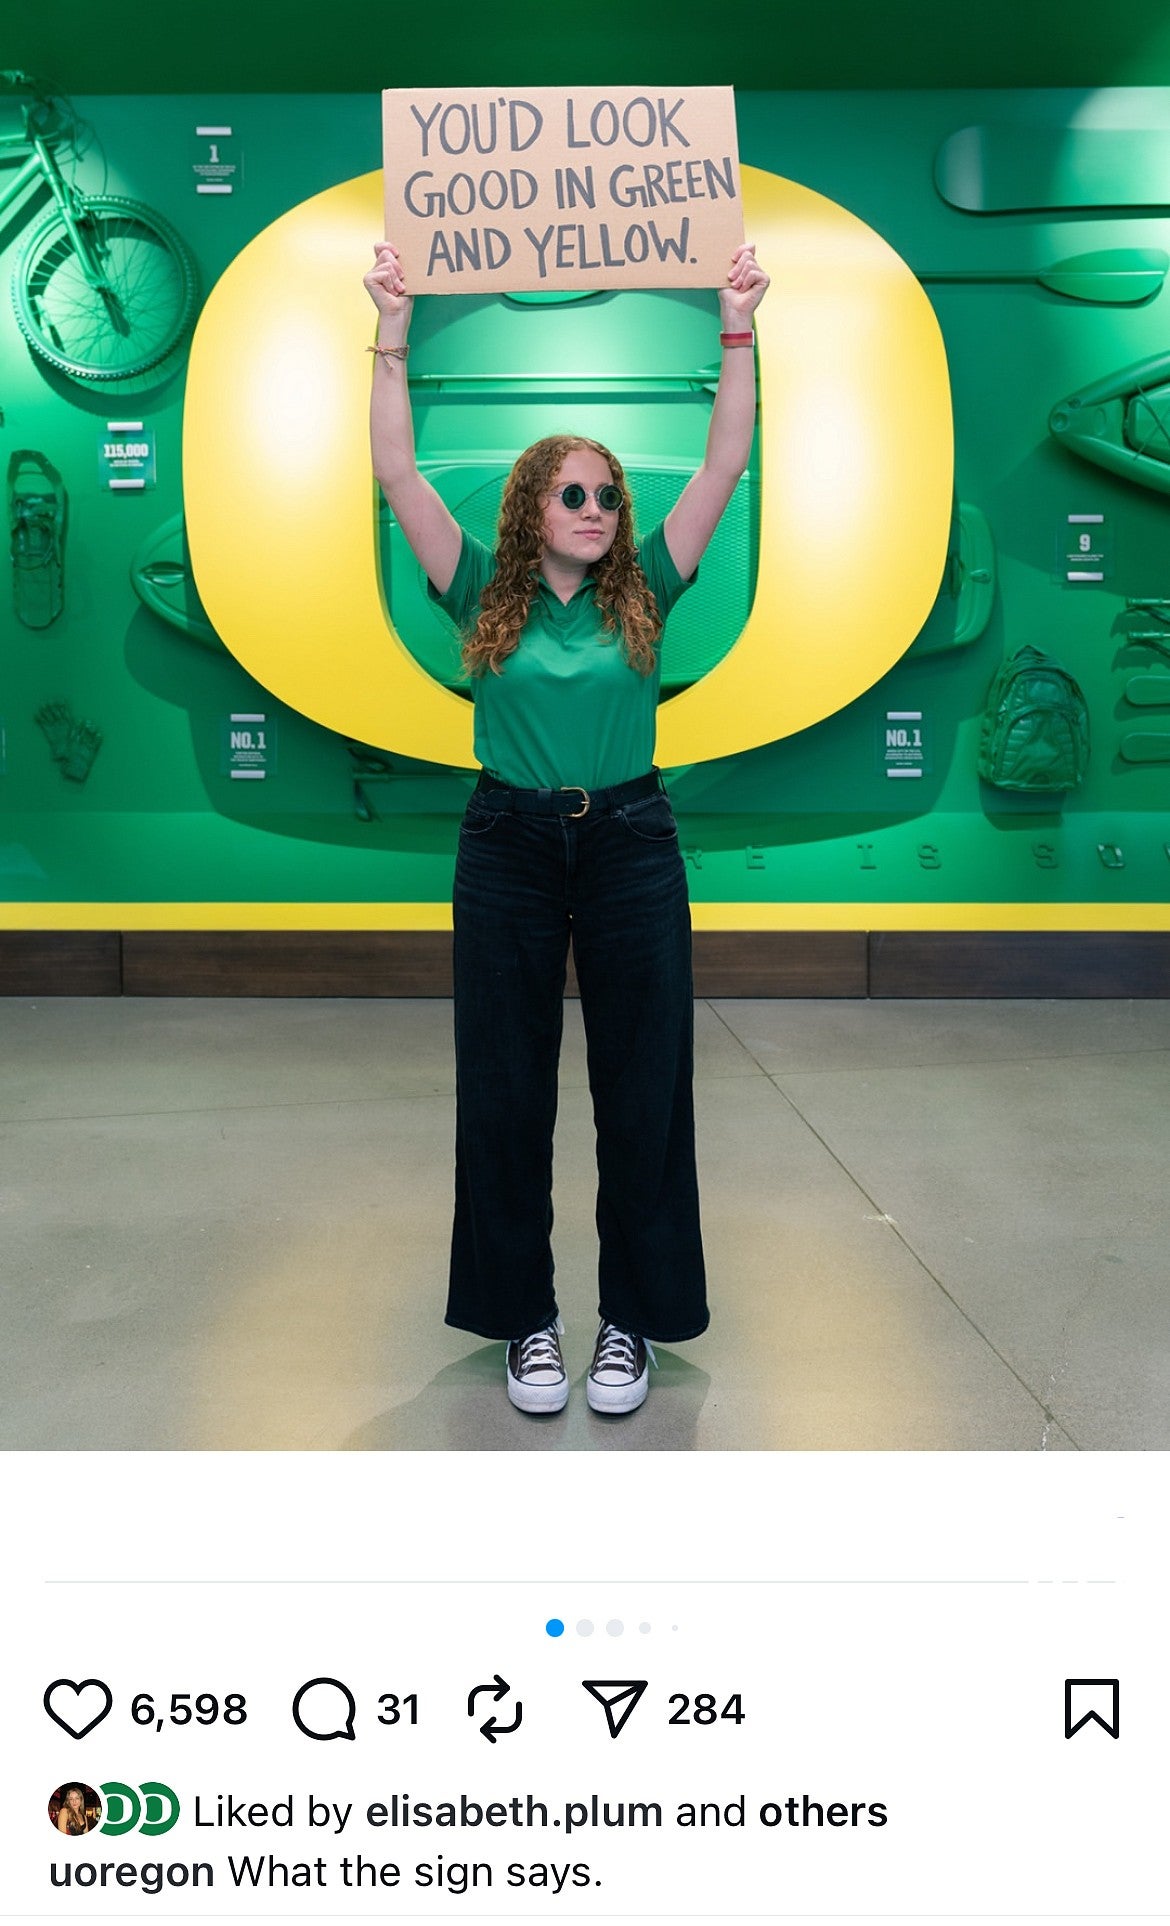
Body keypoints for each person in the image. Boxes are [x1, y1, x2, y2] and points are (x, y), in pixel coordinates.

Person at [364, 237, 768, 1416]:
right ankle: (527, 1324)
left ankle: (630, 1324)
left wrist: (738, 322)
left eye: (608, 496)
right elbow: (396, 472)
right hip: (509, 846)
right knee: (504, 1090)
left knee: (645, 1089)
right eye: (574, 494)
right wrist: (391, 327)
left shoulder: (647, 588)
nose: (597, 510)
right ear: (531, 507)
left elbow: (724, 464)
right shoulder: (477, 588)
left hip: (632, 843)